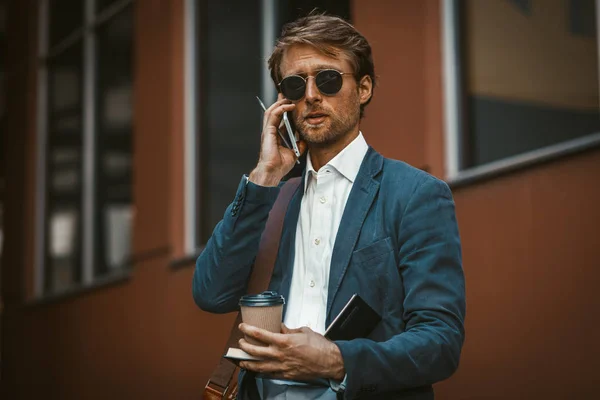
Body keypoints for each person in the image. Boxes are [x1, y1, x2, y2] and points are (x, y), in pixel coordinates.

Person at [193, 13, 465, 400]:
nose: (311, 95)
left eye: (329, 78)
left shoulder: (415, 194)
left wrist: (337, 359)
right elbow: (210, 293)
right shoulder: (269, 197)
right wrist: (264, 178)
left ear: (364, 88)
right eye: (294, 84)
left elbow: (441, 342)